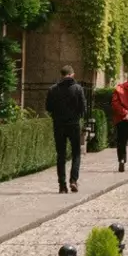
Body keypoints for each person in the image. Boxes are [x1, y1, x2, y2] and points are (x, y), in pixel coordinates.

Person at [44, 65, 87, 194]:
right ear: (72, 74)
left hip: (59, 125)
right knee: (76, 153)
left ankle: (62, 185)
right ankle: (73, 180)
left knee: (61, 155)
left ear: (61, 75)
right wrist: (77, 116)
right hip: (73, 124)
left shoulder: (53, 89)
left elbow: (48, 107)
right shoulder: (78, 89)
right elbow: (83, 109)